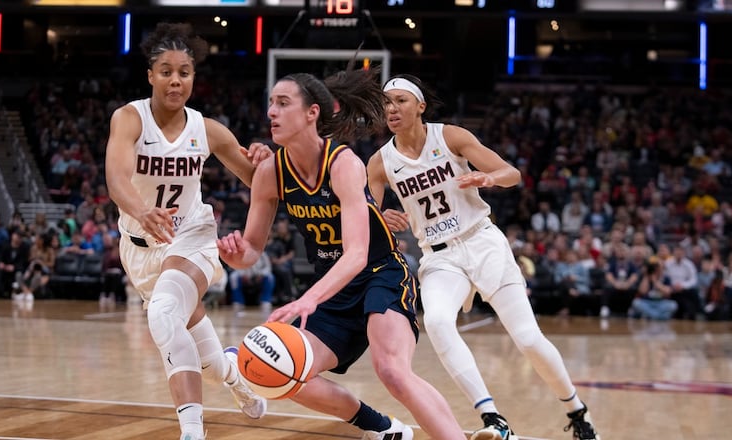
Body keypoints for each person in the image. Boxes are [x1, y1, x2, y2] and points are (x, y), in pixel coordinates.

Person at [217, 67, 466, 440]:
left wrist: (306, 300)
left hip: (379, 272)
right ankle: (381, 428)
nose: (271, 111)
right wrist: (235, 254)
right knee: (283, 372)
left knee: (392, 371)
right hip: (332, 288)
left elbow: (356, 254)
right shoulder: (270, 172)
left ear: (311, 113)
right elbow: (252, 249)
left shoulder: (343, 163)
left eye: (283, 103)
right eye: (270, 103)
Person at [366, 74, 600, 440]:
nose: (392, 109)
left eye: (400, 101)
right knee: (440, 322)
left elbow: (512, 174)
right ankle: (492, 417)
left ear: (420, 106)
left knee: (527, 338)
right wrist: (380, 217)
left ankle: (576, 411)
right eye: (386, 103)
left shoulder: (451, 137)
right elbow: (364, 219)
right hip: (439, 256)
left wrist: (487, 180)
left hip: (482, 241)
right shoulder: (380, 163)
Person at [104, 22, 269, 440]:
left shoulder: (208, 129)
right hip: (140, 249)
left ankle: (192, 432)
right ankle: (234, 378)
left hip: (190, 237)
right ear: (150, 75)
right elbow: (116, 179)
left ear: (193, 77)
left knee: (162, 314)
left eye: (184, 72)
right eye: (165, 70)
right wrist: (142, 211)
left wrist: (268, 159)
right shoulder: (129, 119)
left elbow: (261, 182)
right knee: (210, 366)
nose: (175, 80)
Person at [228, 250, 275, 315]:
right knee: (233, 277)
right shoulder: (239, 252)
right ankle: (238, 301)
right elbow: (235, 266)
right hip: (244, 275)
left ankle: (265, 300)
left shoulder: (262, 253)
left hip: (259, 276)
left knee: (270, 277)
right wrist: (243, 274)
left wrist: (261, 274)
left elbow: (268, 267)